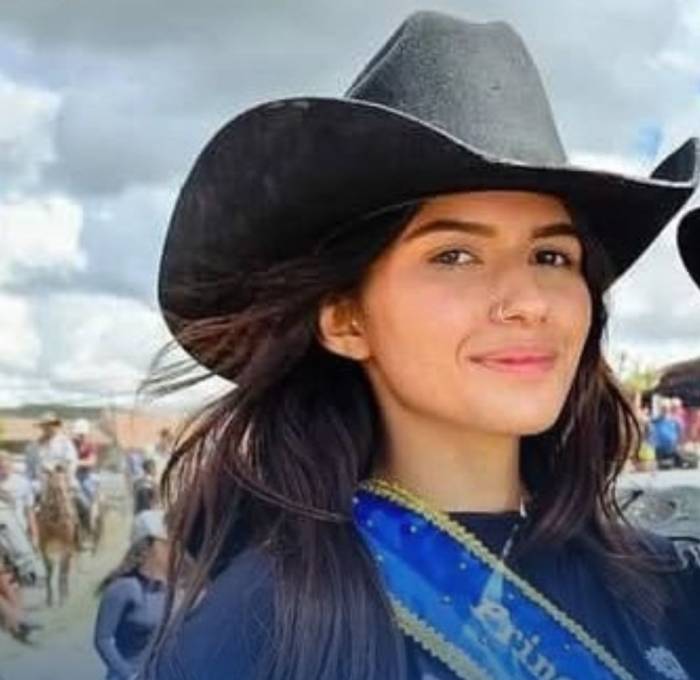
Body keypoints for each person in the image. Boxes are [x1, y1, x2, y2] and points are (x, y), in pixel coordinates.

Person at [150, 11, 700, 680]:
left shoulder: (666, 588)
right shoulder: (255, 637)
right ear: (346, 321)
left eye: (552, 256)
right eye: (455, 255)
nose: (529, 300)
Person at [94, 509, 170, 680]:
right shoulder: (123, 588)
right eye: (165, 544)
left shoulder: (170, 587)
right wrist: (129, 674)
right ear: (147, 548)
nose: (171, 549)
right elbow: (103, 639)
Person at [24, 412, 79, 496]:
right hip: (39, 482)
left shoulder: (65, 442)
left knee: (75, 491)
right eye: (45, 425)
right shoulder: (34, 446)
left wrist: (61, 473)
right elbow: (29, 467)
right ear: (42, 427)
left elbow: (71, 463)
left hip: (62, 480)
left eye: (51, 425)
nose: (48, 428)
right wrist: (31, 479)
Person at [0, 450, 38, 549]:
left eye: (6, 465)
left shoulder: (23, 483)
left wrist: (34, 536)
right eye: (1, 466)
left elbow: (29, 511)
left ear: (12, 465)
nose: (4, 469)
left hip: (18, 532)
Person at [650, 400, 683, 470]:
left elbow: (680, 434)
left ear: (669, 408)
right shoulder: (655, 421)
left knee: (678, 466)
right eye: (663, 408)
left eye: (666, 408)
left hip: (673, 449)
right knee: (663, 467)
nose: (665, 409)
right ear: (660, 408)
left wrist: (680, 445)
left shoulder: (675, 421)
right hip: (660, 449)